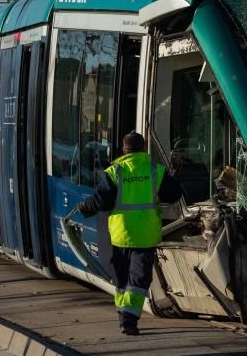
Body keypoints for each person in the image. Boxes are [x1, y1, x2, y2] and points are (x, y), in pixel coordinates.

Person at [77, 131, 183, 336]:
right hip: (145, 236)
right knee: (138, 280)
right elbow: (174, 195)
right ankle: (129, 319)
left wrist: (84, 207)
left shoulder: (115, 171)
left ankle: (124, 316)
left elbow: (101, 201)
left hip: (121, 236)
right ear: (144, 149)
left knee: (122, 280)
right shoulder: (155, 171)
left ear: (124, 150)